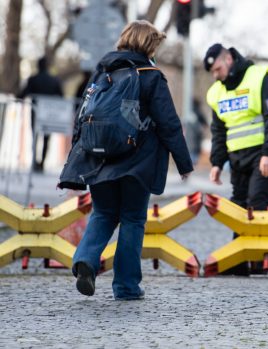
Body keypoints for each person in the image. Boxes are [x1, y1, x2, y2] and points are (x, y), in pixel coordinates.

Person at [57, 20, 194, 300]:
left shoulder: (102, 72)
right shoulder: (150, 75)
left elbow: (82, 117)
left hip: (99, 160)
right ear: (148, 44)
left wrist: (76, 158)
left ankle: (85, 260)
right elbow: (168, 123)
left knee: (104, 213)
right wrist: (183, 163)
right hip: (137, 163)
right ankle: (126, 286)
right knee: (132, 219)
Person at [203, 44, 268, 275]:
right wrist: (216, 163)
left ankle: (257, 259)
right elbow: (219, 131)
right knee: (237, 207)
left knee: (257, 202)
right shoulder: (216, 92)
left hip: (264, 155)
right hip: (238, 159)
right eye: (212, 72)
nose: (216, 75)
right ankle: (239, 260)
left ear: (229, 59)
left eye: (218, 69)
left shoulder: (259, 78)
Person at [18, 57, 64, 172]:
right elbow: (61, 96)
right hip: (49, 114)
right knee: (46, 139)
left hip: (36, 111)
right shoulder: (54, 80)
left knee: (35, 137)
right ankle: (42, 163)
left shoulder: (33, 79)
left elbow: (23, 94)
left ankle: (35, 162)